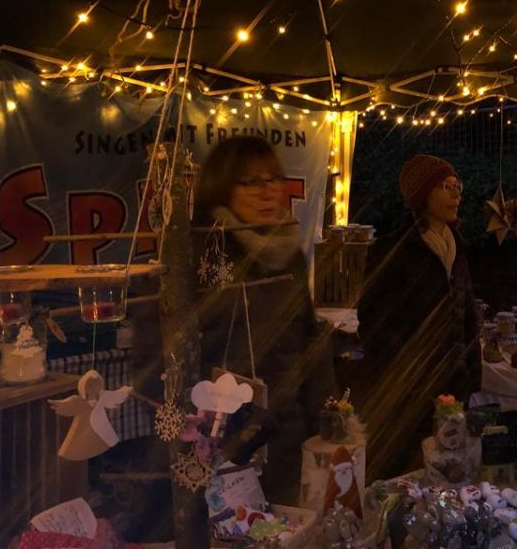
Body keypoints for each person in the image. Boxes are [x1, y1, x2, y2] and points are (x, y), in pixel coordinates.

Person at [192, 135, 336, 505]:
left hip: (287, 434)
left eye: (273, 179)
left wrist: (329, 415)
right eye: (251, 182)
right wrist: (189, 430)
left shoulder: (287, 252)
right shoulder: (200, 254)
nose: (267, 191)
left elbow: (308, 339)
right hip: (220, 440)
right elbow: (161, 348)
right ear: (222, 189)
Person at [356, 154, 482, 482]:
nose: (456, 194)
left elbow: (468, 313)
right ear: (422, 195)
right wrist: (405, 376)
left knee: (449, 464)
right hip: (410, 390)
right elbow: (375, 323)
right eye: (445, 186)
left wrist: (471, 370)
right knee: (410, 472)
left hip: (453, 384)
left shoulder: (459, 248)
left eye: (458, 186)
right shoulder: (394, 250)